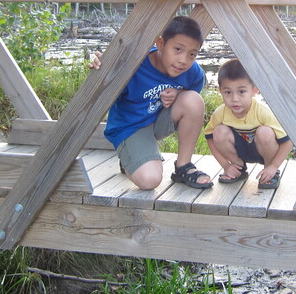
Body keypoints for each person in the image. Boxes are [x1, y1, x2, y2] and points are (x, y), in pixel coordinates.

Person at [90, 15, 213, 190]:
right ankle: (129, 160)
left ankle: (183, 166)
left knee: (193, 100)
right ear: (160, 44)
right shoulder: (134, 65)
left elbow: (192, 94)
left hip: (157, 121)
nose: (183, 60)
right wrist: (102, 71)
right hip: (130, 127)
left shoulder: (192, 72)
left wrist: (178, 93)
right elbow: (102, 93)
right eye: (178, 49)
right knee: (150, 180)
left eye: (192, 54)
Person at [204, 58, 292, 189]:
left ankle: (270, 172)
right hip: (238, 151)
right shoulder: (220, 113)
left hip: (264, 150)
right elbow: (210, 138)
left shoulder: (263, 112)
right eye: (228, 92)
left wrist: (274, 166)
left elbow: (287, 142)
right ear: (220, 91)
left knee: (265, 132)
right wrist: (226, 165)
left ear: (254, 91)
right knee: (219, 131)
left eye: (241, 92)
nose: (234, 99)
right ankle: (238, 168)